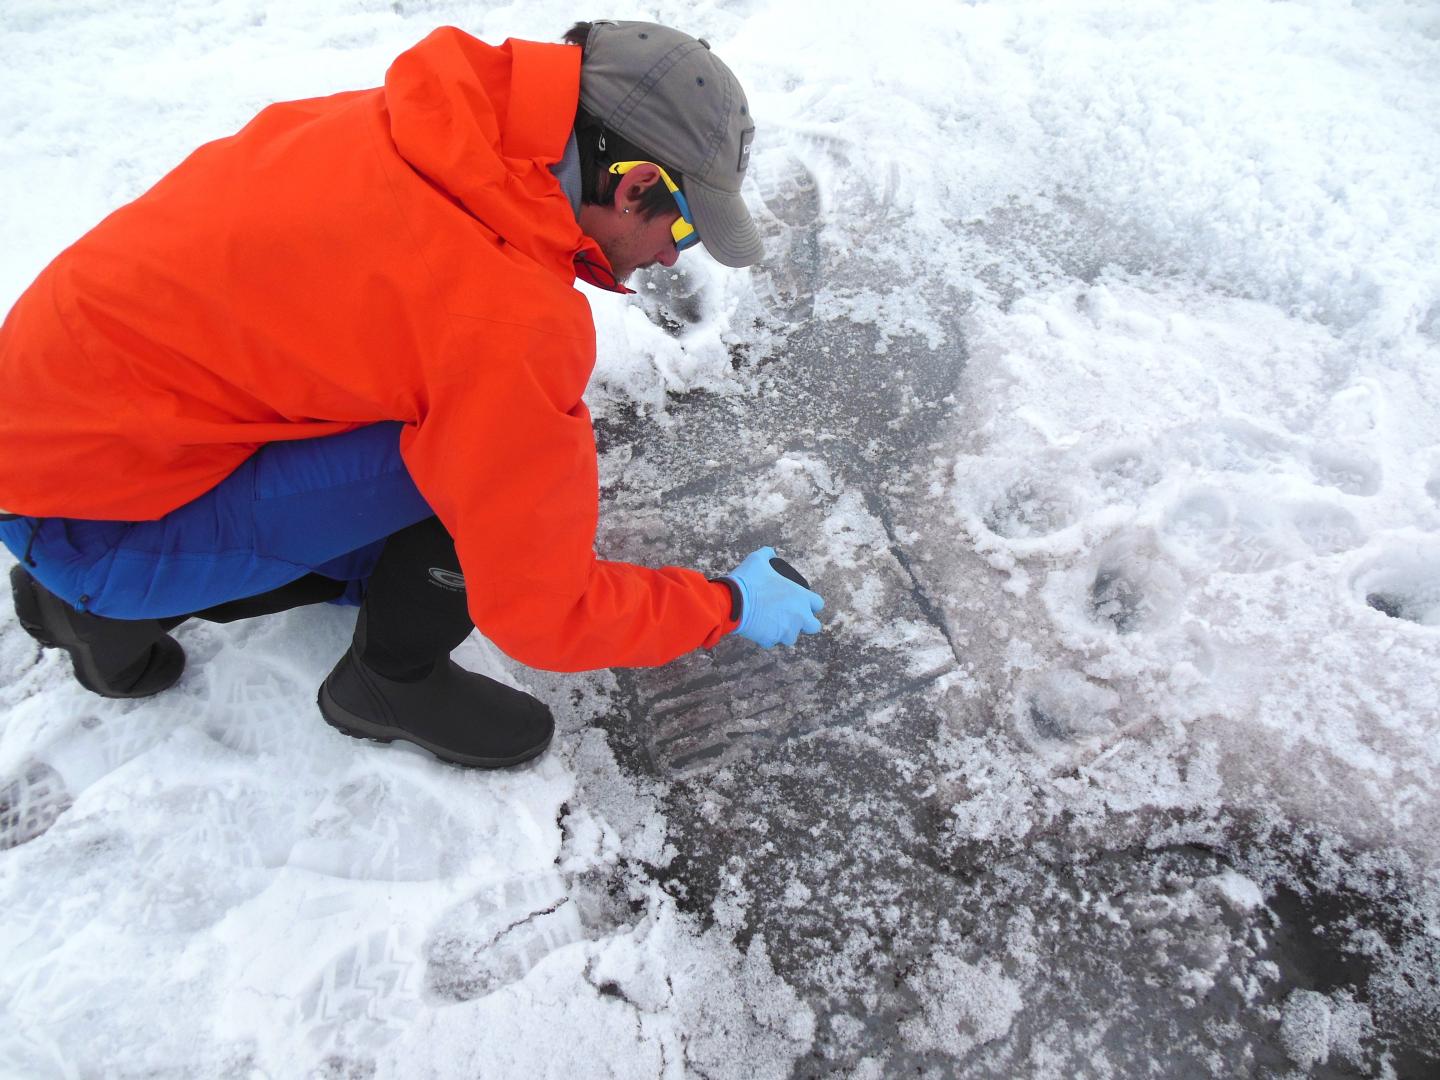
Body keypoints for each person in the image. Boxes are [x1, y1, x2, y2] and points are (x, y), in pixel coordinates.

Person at [0, 20, 825, 769]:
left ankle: (71, 589)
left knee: (467, 419)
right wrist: (726, 603)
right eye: (679, 226)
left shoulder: (422, 126)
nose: (676, 259)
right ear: (635, 185)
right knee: (485, 473)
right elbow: (546, 610)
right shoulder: (504, 317)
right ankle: (389, 680)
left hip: (47, 433)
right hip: (101, 526)